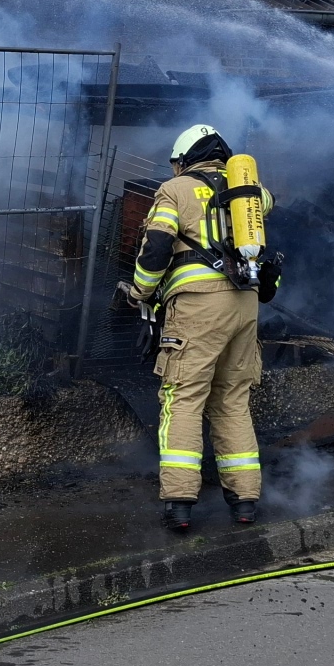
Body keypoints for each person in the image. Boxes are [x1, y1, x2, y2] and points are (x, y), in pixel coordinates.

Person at [128, 125, 274, 533]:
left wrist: (141, 291)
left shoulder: (174, 191)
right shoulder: (247, 191)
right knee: (232, 400)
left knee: (184, 397)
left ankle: (179, 503)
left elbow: (156, 246)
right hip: (244, 306)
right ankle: (245, 501)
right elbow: (270, 206)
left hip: (198, 308)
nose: (173, 169)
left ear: (185, 159)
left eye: (175, 163)